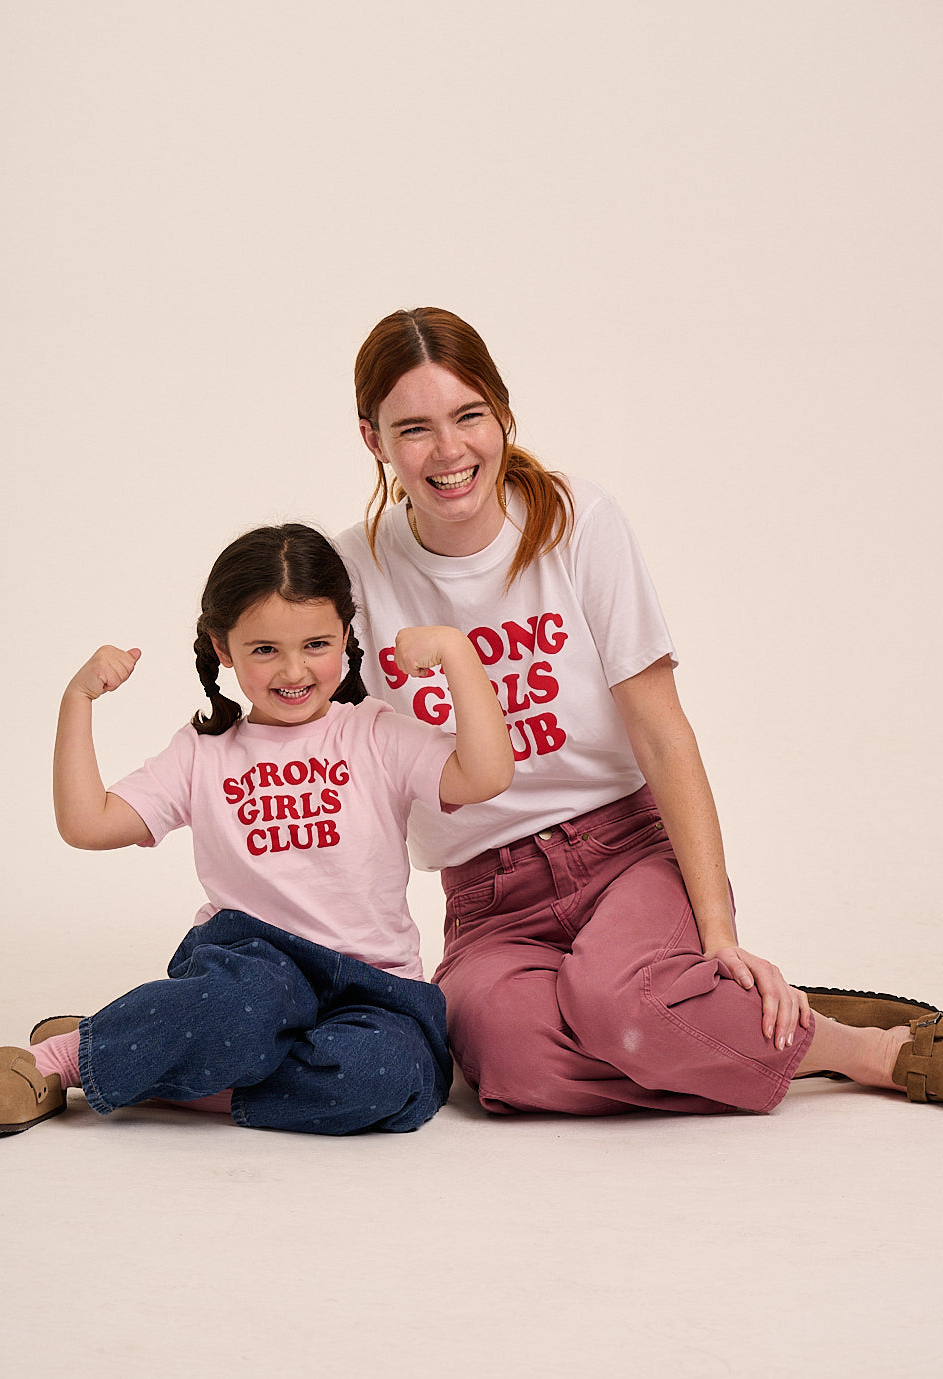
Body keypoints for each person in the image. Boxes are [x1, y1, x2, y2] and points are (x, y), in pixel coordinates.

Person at [335, 307, 942, 1115]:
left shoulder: (575, 521)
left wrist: (719, 933)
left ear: (503, 412)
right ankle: (709, 1021)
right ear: (373, 439)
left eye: (469, 415)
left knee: (621, 1009)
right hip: (486, 900)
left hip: (622, 853)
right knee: (513, 1069)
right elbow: (334, 761)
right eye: (414, 428)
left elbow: (661, 731)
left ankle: (855, 1047)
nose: (450, 452)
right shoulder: (351, 571)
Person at [0, 523, 513, 1138]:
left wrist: (458, 654)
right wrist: (76, 701)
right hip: (250, 968)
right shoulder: (204, 753)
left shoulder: (376, 733)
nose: (294, 669)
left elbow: (485, 775)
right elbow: (88, 825)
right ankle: (53, 1062)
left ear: (348, 636)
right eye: (264, 649)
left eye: (317, 644)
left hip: (371, 984)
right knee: (237, 1016)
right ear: (223, 649)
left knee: (387, 1077)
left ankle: (140, 1049)